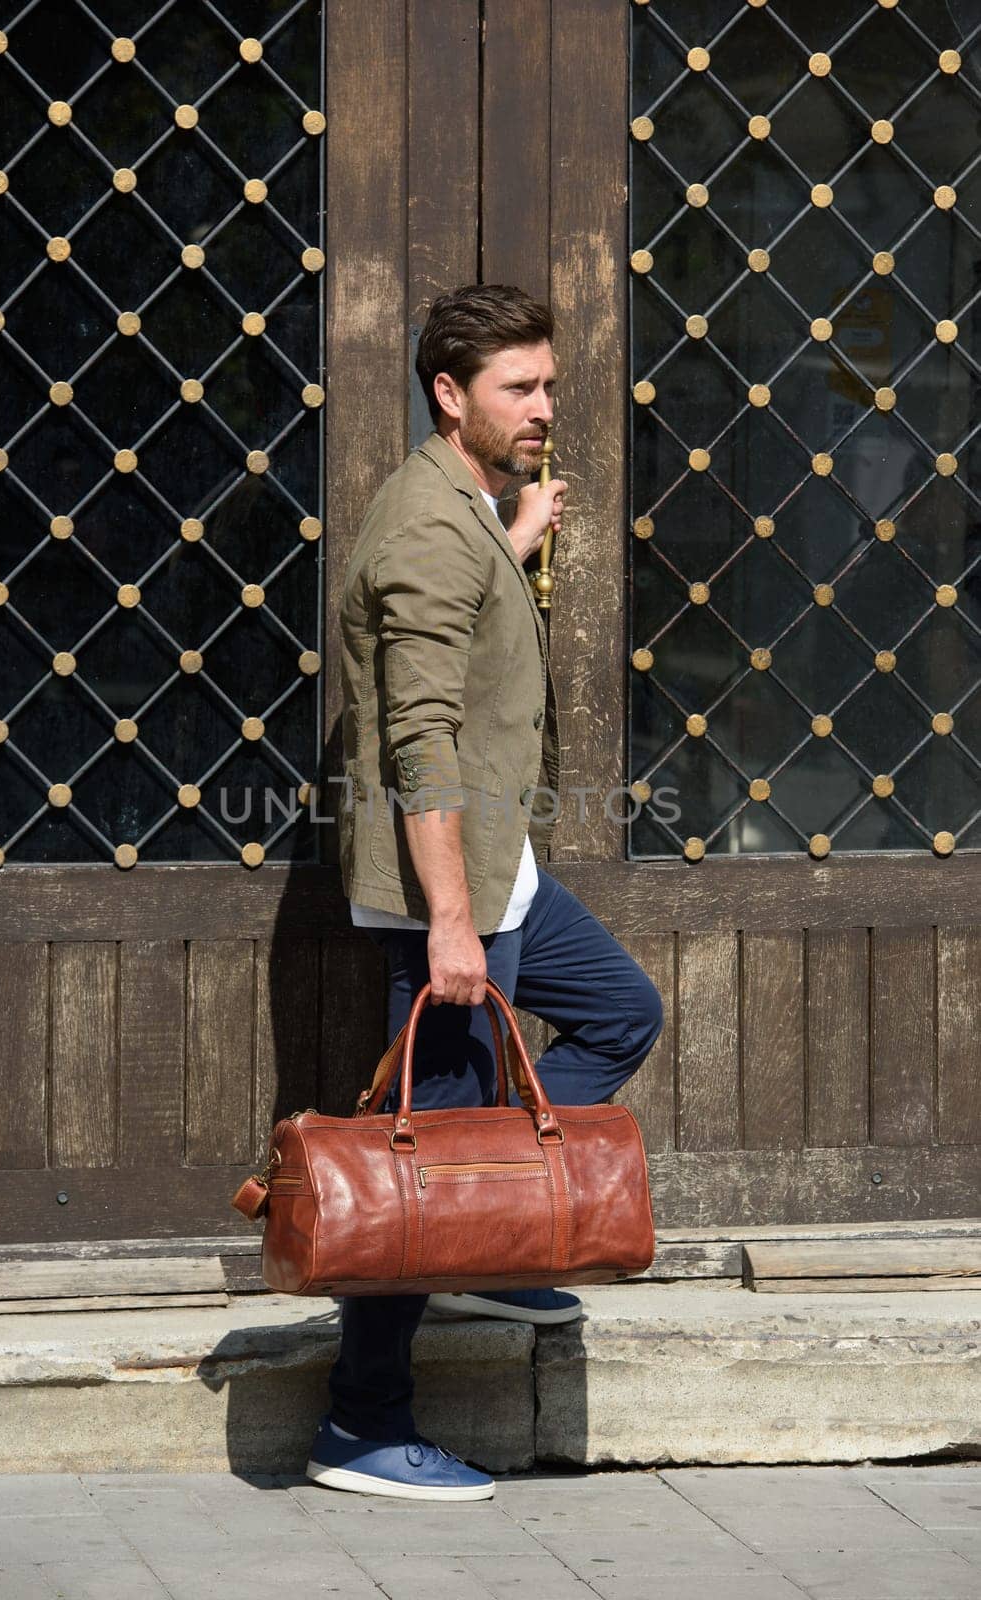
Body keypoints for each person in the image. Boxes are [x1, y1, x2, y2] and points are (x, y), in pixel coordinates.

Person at [307, 284, 664, 1502]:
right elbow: (419, 737)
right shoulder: (424, 529)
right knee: (430, 1157)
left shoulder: (464, 515)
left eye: (549, 384)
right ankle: (361, 1425)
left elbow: (454, 627)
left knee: (622, 1011)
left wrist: (509, 542)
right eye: (519, 387)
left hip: (505, 870)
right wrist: (450, 919)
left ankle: (496, 1234)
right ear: (450, 395)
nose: (546, 408)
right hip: (451, 889)